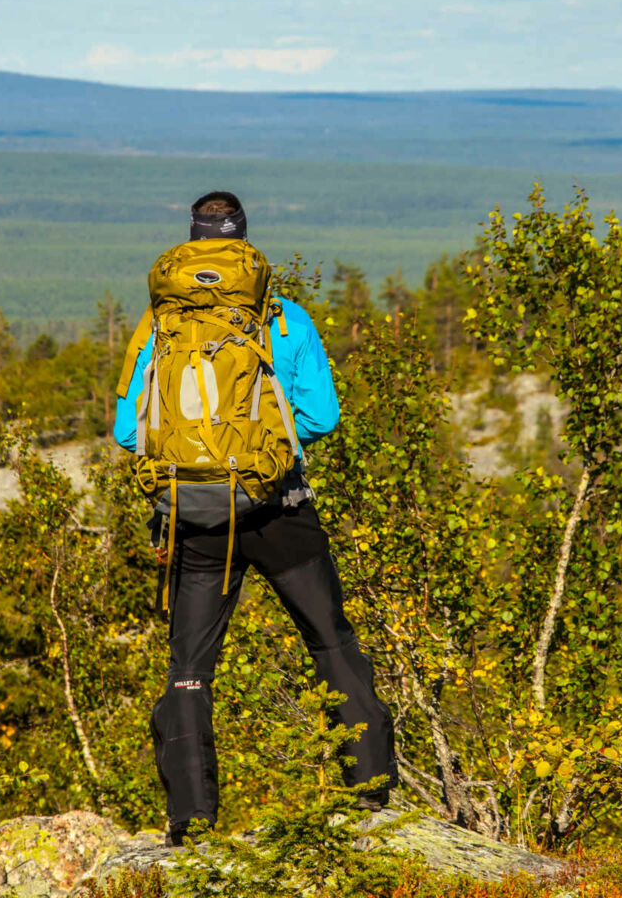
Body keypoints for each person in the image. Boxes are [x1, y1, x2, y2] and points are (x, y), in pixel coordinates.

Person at [113, 191, 397, 845]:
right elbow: (322, 417)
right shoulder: (285, 318)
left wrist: (201, 452)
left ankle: (191, 820)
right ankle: (371, 794)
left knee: (190, 665)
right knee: (329, 641)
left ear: (191, 242)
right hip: (280, 511)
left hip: (193, 517)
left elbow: (130, 431)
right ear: (244, 244)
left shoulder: (158, 326)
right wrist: (261, 445)